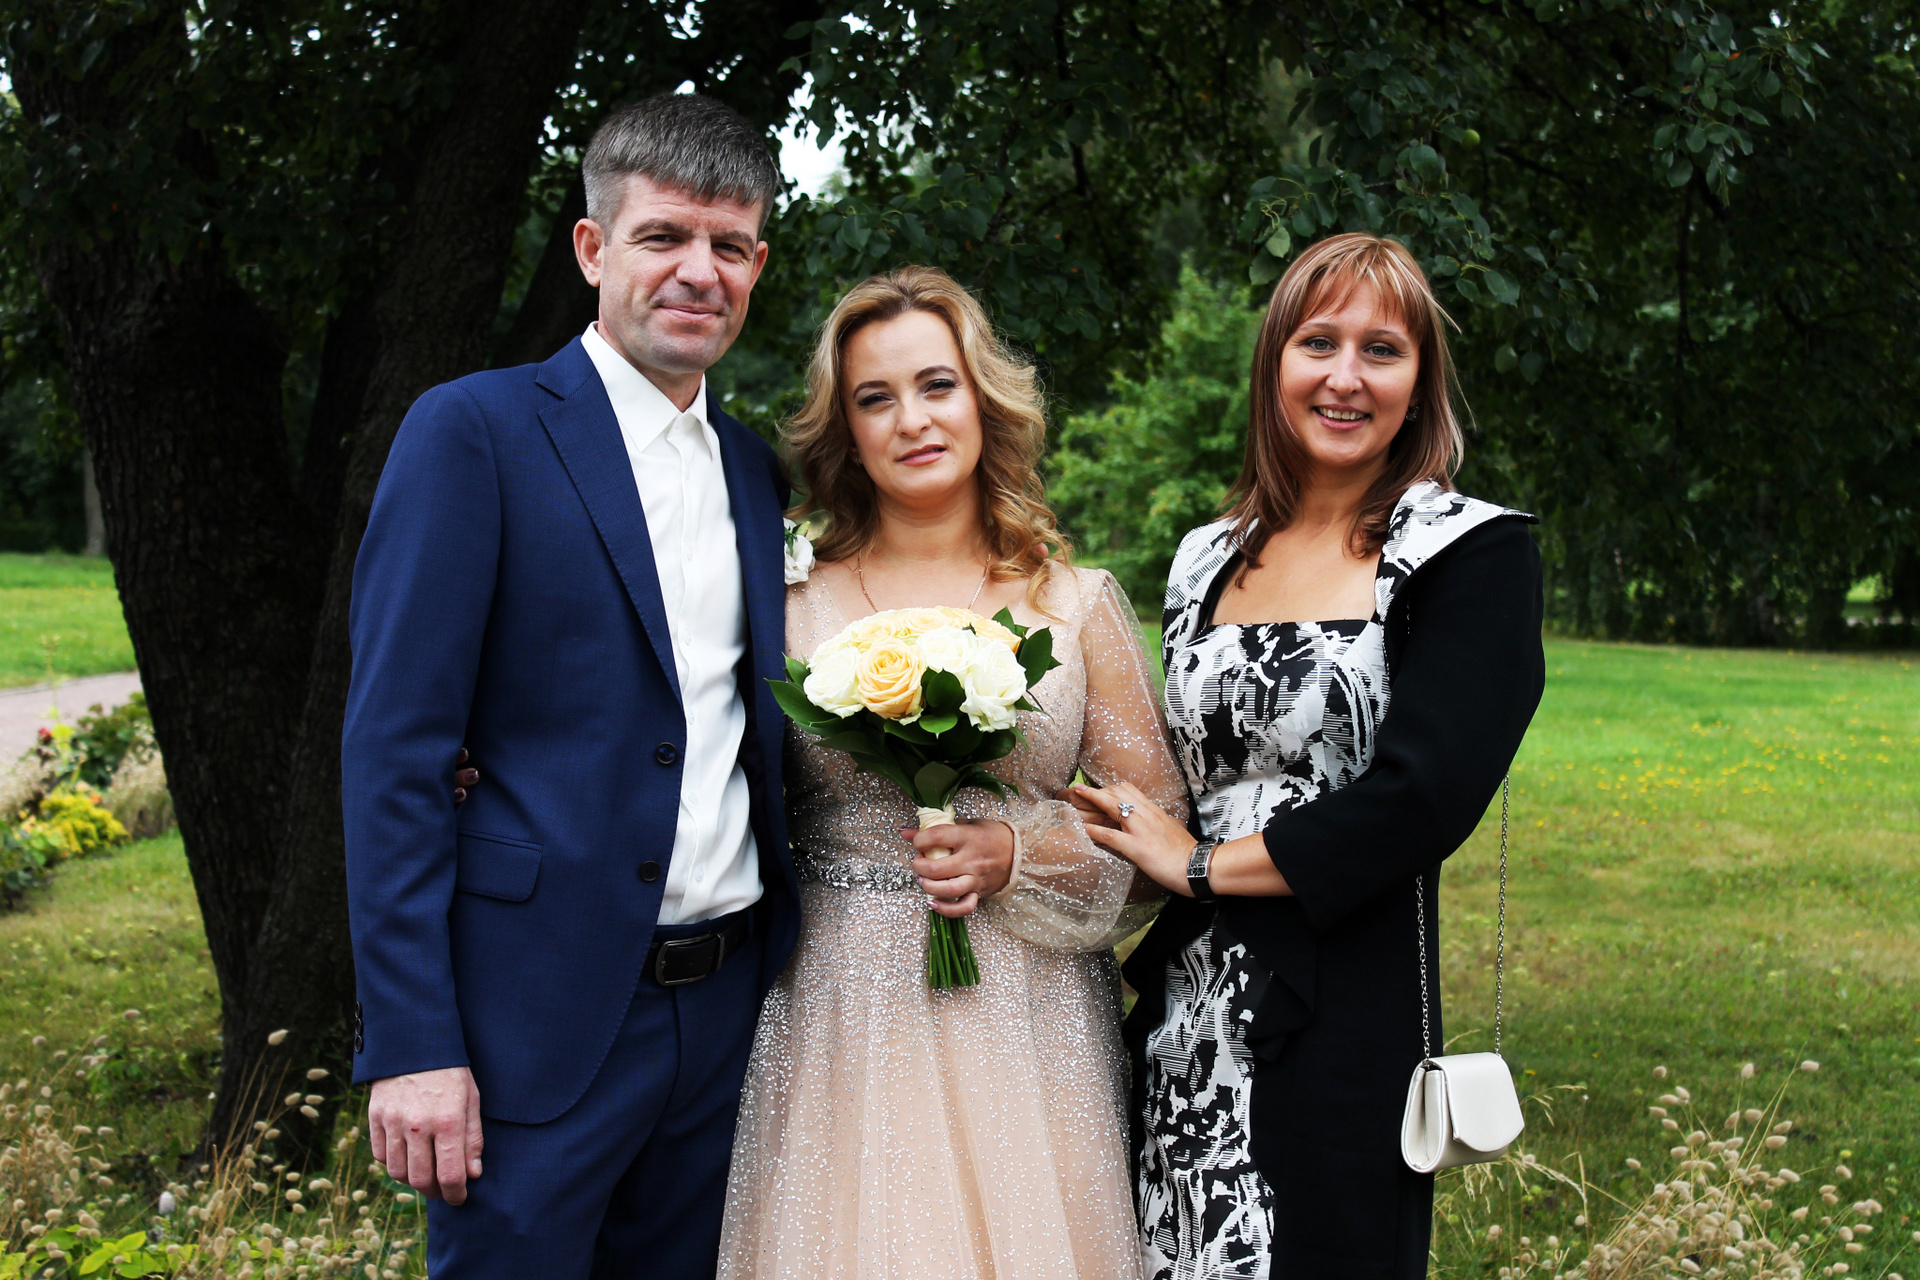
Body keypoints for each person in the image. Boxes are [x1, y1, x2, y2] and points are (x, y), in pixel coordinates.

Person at [340, 93, 802, 1280]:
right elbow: (394, 754)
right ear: (594, 249)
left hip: (727, 1018)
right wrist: (412, 1040)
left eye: (730, 244)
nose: (699, 270)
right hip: (529, 1024)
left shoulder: (759, 475)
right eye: (664, 236)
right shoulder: (474, 432)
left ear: (756, 265)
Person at [1073, 233, 1546, 1279]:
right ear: (1275, 363)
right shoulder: (1206, 556)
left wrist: (1202, 866)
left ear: (1419, 383)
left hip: (1344, 1003)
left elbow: (1421, 799)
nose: (1345, 376)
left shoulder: (1470, 550)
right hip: (1186, 1002)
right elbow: (1179, 776)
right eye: (1318, 342)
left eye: (1382, 349)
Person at [716, 266, 1186, 1280]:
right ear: (844, 428)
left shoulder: (1074, 601)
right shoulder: (786, 601)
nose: (912, 420)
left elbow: (1156, 822)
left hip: (1027, 1016)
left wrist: (1020, 851)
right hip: (837, 1001)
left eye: (937, 385)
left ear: (984, 398)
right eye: (874, 398)